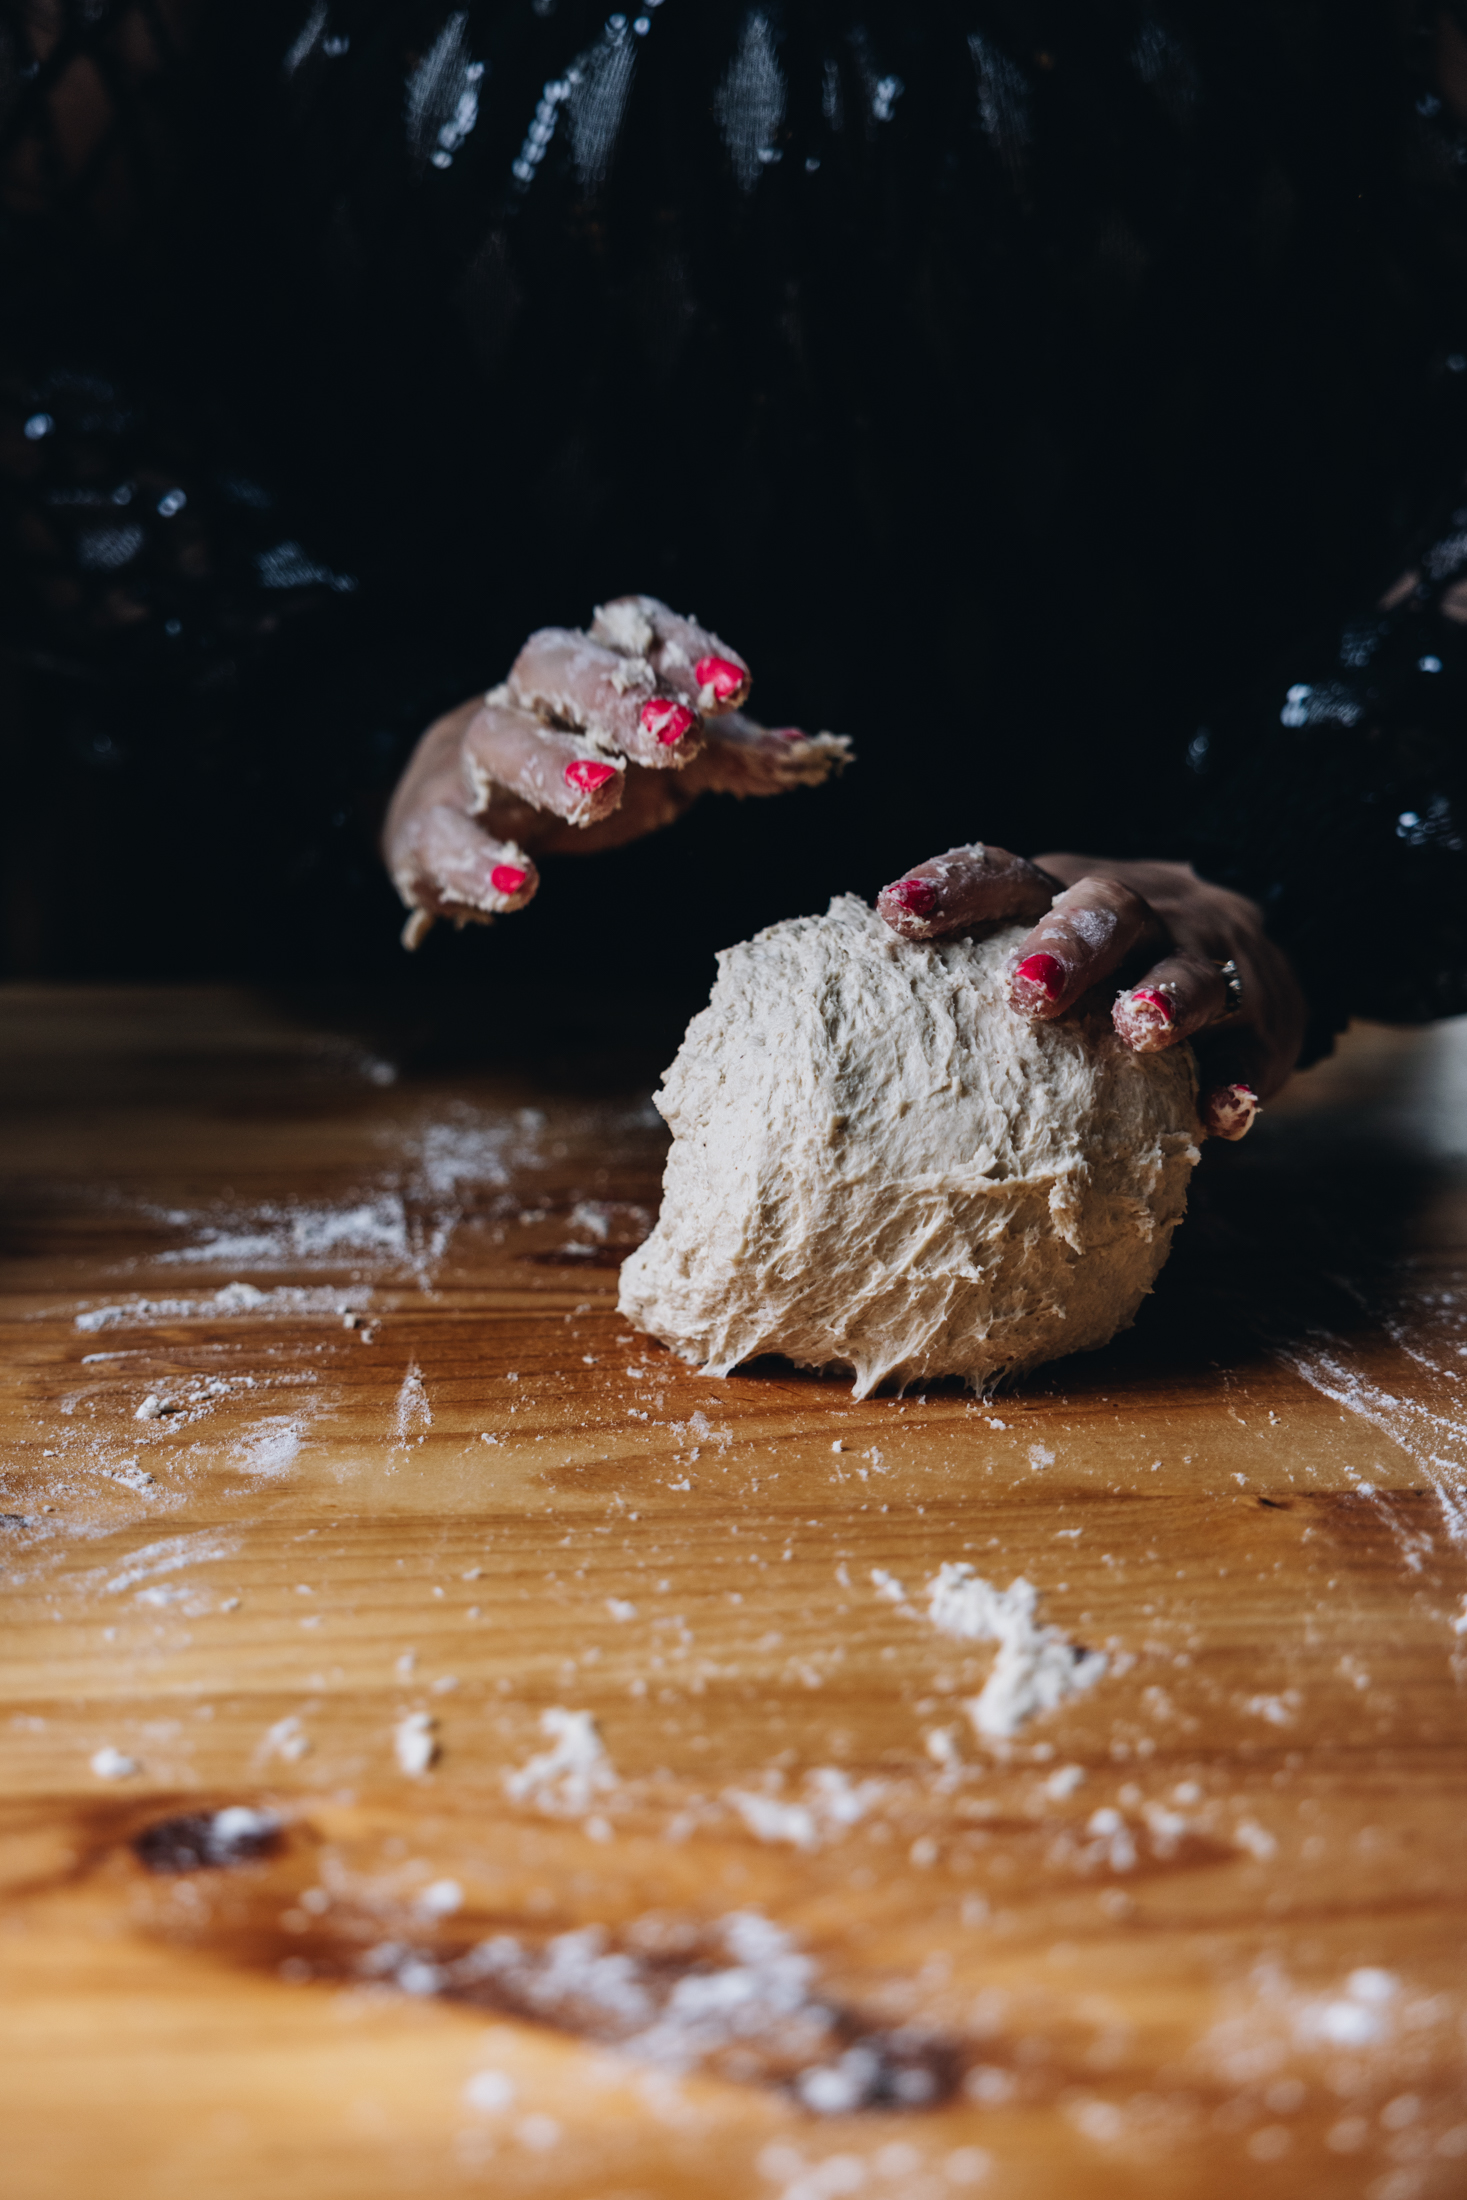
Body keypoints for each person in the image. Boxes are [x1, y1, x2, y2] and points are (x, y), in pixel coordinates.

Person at [3, 2, 1464, 1126]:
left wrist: (1317, 843)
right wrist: (351, 712)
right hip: (328, 1063)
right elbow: (40, 358)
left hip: (1168, 1041)